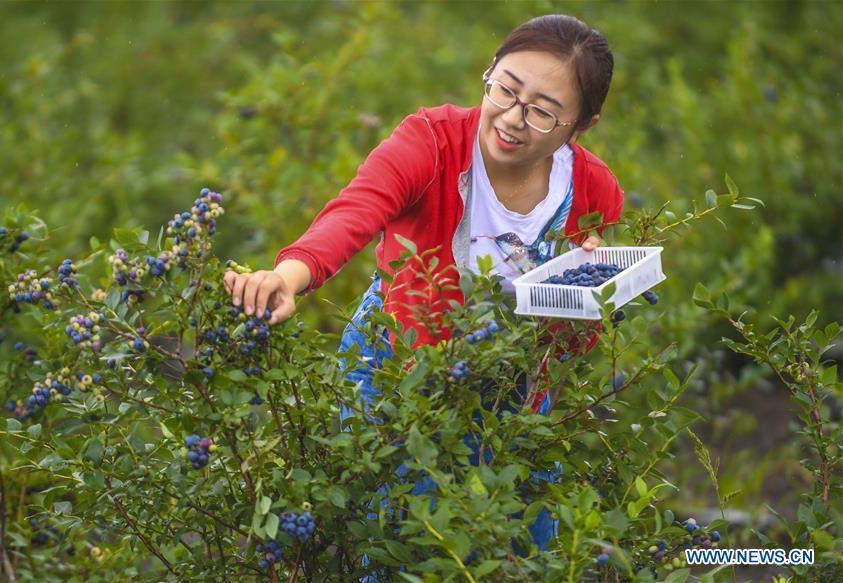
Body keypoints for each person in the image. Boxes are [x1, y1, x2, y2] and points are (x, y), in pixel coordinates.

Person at [224, 13, 623, 571]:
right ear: (487, 74)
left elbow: (575, 325)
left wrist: (587, 307)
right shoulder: (432, 141)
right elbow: (356, 210)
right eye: (504, 89)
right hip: (400, 363)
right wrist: (288, 276)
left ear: (581, 125)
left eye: (542, 111)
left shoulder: (593, 190)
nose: (511, 118)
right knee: (402, 538)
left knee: (524, 547)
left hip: (518, 388)